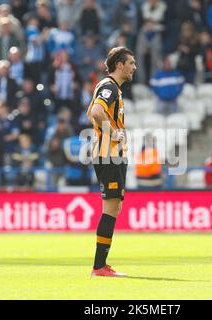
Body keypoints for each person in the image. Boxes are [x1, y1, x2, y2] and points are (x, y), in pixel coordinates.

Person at [86, 47, 136, 277]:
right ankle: (99, 267)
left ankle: (101, 265)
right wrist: (113, 132)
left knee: (114, 207)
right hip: (108, 154)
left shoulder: (111, 88)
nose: (134, 67)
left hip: (111, 154)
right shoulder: (109, 87)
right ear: (119, 65)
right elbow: (97, 111)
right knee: (110, 207)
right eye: (131, 63)